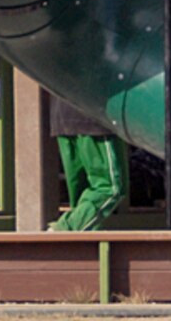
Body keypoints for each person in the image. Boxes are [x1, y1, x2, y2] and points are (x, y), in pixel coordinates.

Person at [46, 90, 126, 232]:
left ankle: (77, 245)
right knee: (110, 187)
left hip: (63, 116)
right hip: (96, 117)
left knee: (81, 202)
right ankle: (64, 231)